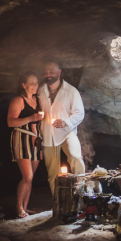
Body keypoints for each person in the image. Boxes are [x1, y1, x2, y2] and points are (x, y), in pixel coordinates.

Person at [38, 60, 85, 196]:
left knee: (76, 157)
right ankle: (57, 201)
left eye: (51, 71)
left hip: (67, 132)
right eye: (46, 72)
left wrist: (66, 123)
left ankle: (80, 194)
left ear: (59, 72)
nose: (48, 74)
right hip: (47, 135)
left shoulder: (71, 91)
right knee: (52, 172)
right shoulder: (41, 90)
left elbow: (79, 113)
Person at [7, 71, 44, 218]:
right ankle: (19, 208)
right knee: (27, 177)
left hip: (36, 140)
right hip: (22, 138)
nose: (35, 86)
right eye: (31, 83)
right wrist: (30, 118)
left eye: (36, 83)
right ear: (24, 85)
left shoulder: (39, 100)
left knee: (31, 177)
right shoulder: (18, 100)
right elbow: (10, 122)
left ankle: (25, 207)